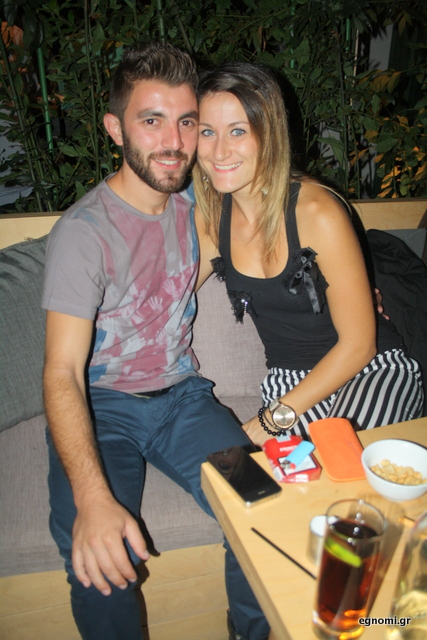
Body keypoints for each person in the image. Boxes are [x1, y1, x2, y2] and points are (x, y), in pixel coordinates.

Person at [42, 43, 269, 640]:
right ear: (116, 129)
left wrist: (357, 277)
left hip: (183, 401)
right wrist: (93, 499)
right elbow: (61, 371)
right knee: (102, 561)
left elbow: (278, 211)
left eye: (186, 122)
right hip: (103, 409)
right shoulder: (83, 234)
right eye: (152, 120)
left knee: (262, 507)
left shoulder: (196, 201)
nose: (174, 142)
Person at [193, 61, 424, 446]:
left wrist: (271, 420)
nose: (219, 150)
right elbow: (170, 298)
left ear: (269, 134)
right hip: (288, 381)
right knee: (271, 477)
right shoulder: (211, 216)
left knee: (345, 462)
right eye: (206, 132)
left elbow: (359, 345)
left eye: (238, 130)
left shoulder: (318, 212)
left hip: (369, 370)